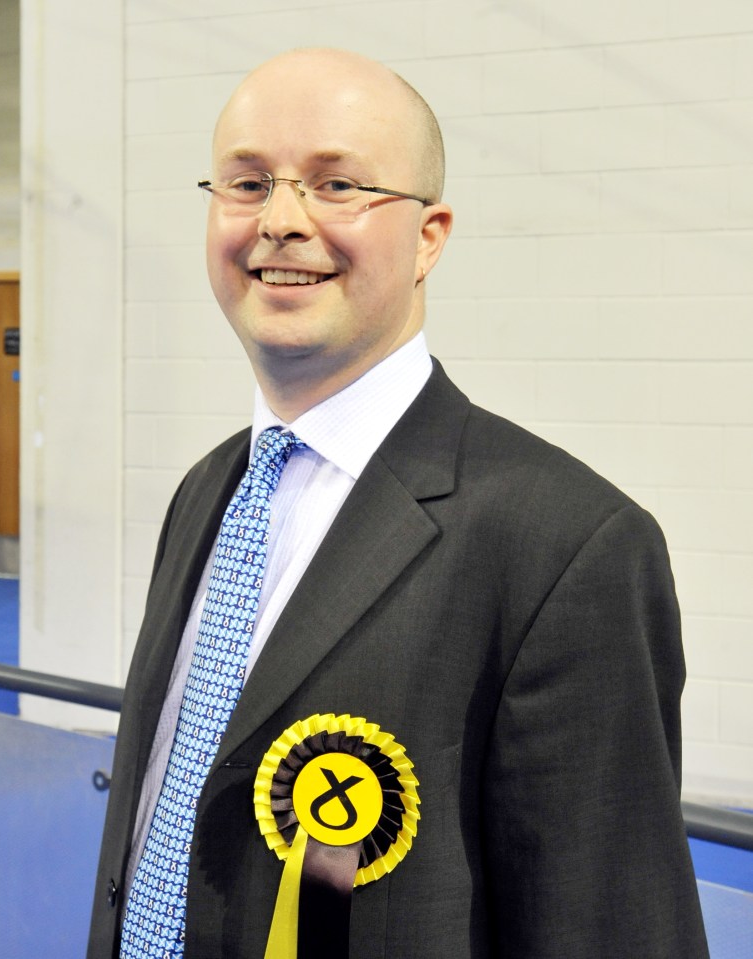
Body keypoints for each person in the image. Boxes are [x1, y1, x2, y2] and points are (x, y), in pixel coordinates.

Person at [88, 47, 709, 959]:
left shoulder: (567, 544)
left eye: (338, 184)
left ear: (428, 237)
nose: (281, 221)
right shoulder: (208, 489)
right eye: (248, 181)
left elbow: (612, 929)